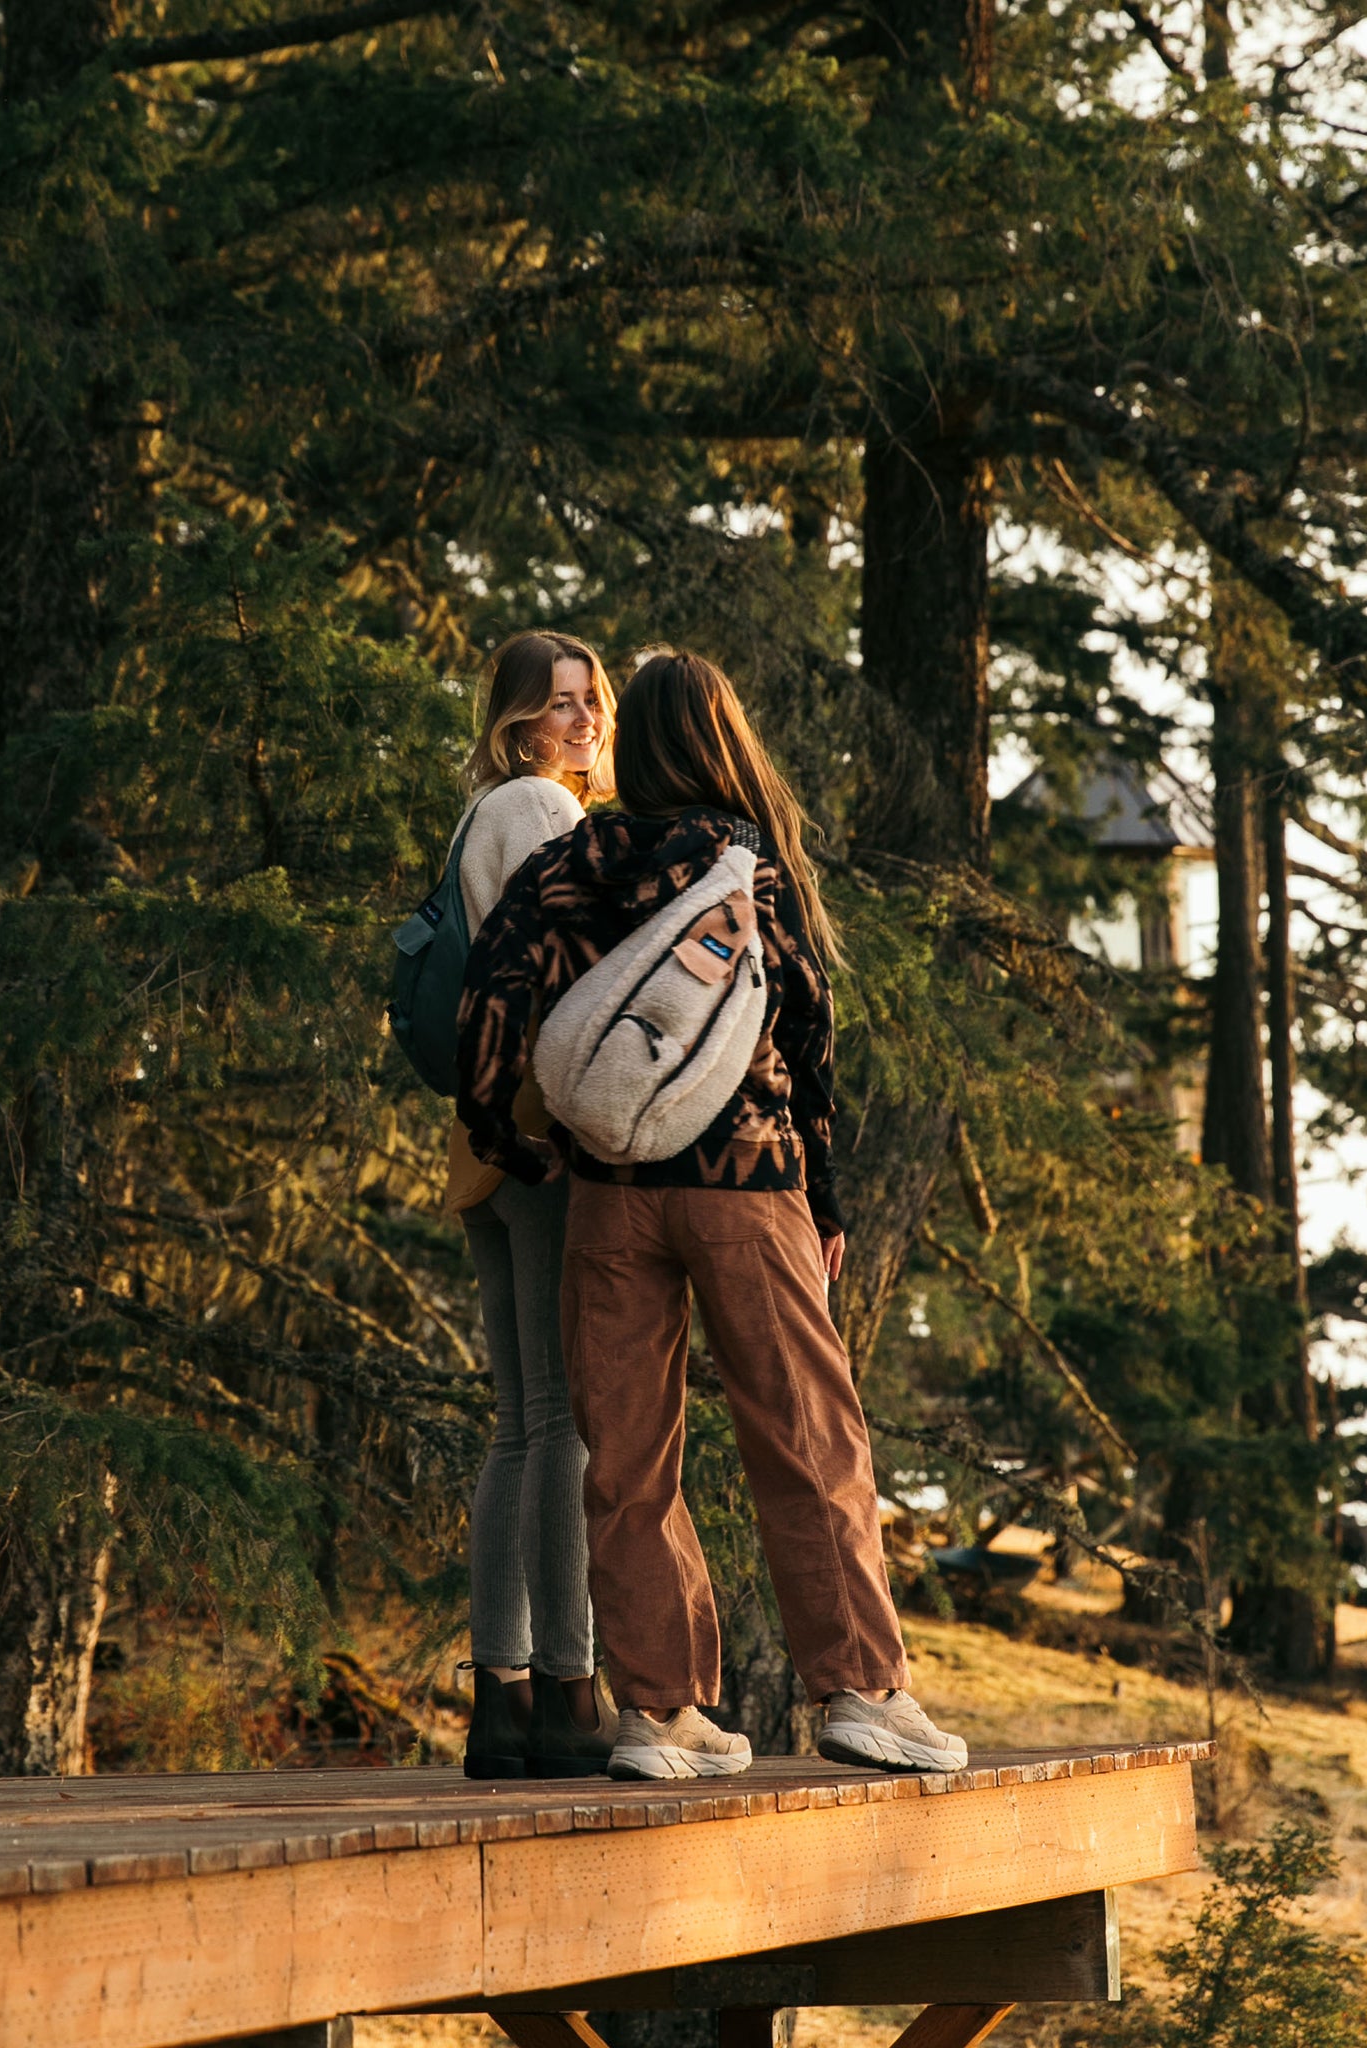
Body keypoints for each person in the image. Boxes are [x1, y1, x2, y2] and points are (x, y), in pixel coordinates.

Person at [458, 649, 967, 1782]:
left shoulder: (577, 852)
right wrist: (820, 1195)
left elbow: (491, 989)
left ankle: (658, 1712)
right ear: (724, 737)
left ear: (630, 742)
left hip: (608, 1195)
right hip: (744, 1185)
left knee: (627, 1463)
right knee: (807, 1438)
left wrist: (506, 1137)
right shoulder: (748, 861)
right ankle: (862, 1692)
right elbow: (805, 1035)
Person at [448, 630, 620, 1779]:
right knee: (559, 1421)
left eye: (592, 702)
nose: (582, 722)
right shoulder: (540, 813)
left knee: (519, 1423)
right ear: (515, 721)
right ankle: (568, 1684)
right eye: (557, 706)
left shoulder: (479, 815)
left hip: (481, 1141)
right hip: (544, 1135)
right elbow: (572, 972)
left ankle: (501, 1696)